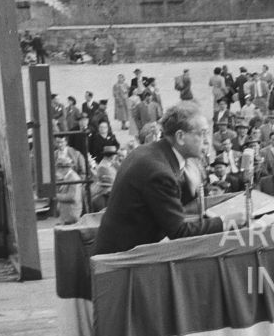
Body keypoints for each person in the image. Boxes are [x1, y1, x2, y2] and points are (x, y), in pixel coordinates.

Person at [93, 104, 226, 255]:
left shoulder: (150, 151)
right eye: (202, 133)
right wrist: (225, 221)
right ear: (180, 137)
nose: (207, 141)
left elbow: (165, 202)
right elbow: (179, 231)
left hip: (118, 249)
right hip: (123, 261)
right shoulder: (159, 172)